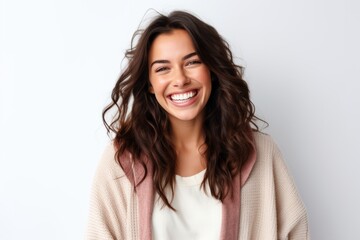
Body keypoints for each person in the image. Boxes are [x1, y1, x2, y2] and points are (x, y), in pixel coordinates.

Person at [85, 10, 309, 240]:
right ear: (149, 83)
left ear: (211, 70)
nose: (180, 79)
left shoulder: (259, 152)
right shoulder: (123, 160)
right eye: (163, 68)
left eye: (192, 62)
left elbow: (296, 232)